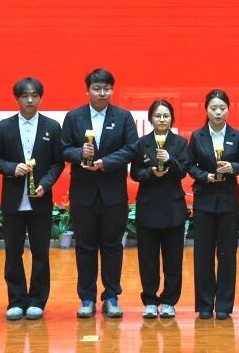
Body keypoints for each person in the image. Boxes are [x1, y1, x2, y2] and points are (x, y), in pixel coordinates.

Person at [60, 68, 138, 318]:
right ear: (87, 91)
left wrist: (105, 162)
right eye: (97, 88)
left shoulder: (123, 116)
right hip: (83, 193)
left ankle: (112, 296)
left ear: (112, 91)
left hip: (113, 193)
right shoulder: (74, 117)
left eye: (106, 88)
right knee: (85, 246)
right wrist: (79, 154)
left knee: (113, 246)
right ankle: (86, 298)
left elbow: (131, 148)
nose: (102, 93)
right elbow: (63, 149)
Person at [0, 77, 65, 320]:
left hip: (40, 200)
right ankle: (16, 300)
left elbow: (58, 163)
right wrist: (12, 168)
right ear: (17, 98)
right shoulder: (4, 127)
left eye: (34, 95)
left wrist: (45, 184)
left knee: (41, 253)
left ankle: (37, 300)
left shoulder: (52, 127)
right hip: (13, 201)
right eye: (25, 95)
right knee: (13, 253)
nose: (30, 100)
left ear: (41, 97)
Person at [184, 89, 239, 320]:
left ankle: (224, 305)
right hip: (205, 201)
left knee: (227, 254)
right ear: (206, 110)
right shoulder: (197, 136)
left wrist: (233, 168)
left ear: (228, 109)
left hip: (228, 201)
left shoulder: (236, 136)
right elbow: (190, 165)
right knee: (203, 254)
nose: (218, 112)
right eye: (213, 108)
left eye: (222, 108)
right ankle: (204, 304)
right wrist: (204, 176)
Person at [130, 99, 190, 319]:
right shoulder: (141, 143)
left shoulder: (180, 143)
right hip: (148, 207)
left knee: (173, 260)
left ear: (172, 118)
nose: (162, 119)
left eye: (166, 116)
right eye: (157, 115)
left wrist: (171, 160)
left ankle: (169, 301)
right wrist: (151, 173)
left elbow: (184, 171)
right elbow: (135, 173)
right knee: (148, 259)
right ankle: (150, 300)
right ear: (150, 119)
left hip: (173, 208)